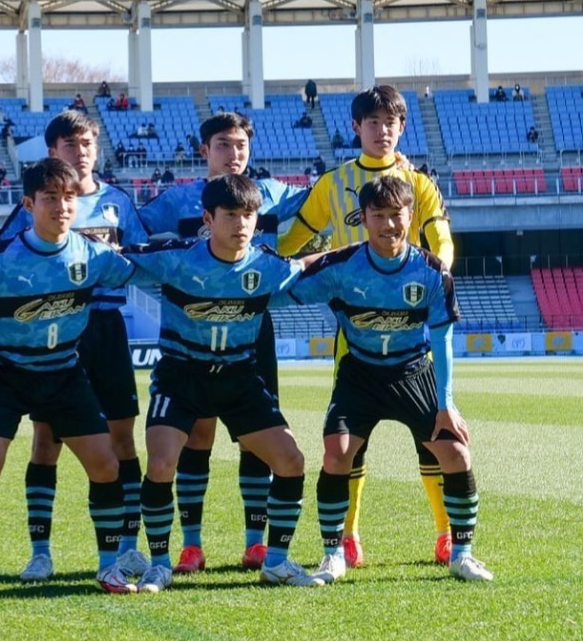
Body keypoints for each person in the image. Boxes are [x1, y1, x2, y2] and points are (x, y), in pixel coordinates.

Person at [0, 158, 140, 601]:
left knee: (106, 465)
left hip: (64, 373)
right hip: (6, 374)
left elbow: (140, 267)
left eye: (69, 198)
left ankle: (109, 566)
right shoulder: (3, 258)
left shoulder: (92, 254)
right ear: (29, 204)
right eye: (50, 198)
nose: (62, 207)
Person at [277, 85, 454, 568]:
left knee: (434, 434)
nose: (381, 131)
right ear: (356, 128)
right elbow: (294, 239)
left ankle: (445, 532)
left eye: (390, 122)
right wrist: (263, 259)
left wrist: (440, 272)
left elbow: (440, 236)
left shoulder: (418, 183)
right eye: (372, 122)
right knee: (347, 441)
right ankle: (348, 537)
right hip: (354, 333)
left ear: (401, 127)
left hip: (412, 328)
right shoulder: (333, 184)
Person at [289, 177, 492, 584]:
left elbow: (443, 339)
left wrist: (446, 402)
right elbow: (286, 290)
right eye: (377, 216)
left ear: (410, 216)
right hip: (359, 374)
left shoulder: (432, 271)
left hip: (414, 371)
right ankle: (332, 555)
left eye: (395, 215)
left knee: (456, 455)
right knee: (336, 454)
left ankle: (462, 553)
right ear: (363, 219)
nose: (388, 225)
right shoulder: (343, 267)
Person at [126, 174, 324, 591]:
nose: (241, 224)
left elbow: (309, 267)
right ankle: (160, 563)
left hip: (238, 378)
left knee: (291, 461)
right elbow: (115, 259)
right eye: (230, 215)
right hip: (181, 376)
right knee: (161, 464)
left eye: (249, 215)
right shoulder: (176, 258)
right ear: (207, 218)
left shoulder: (265, 265)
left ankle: (277, 560)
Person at [0, 112, 149, 582]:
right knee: (47, 441)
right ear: (52, 152)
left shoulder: (117, 203)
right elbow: (2, 252)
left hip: (106, 327)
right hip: (56, 331)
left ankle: (126, 547)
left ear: (96, 149)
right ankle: (40, 552)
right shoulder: (37, 205)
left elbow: (140, 259)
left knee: (122, 439)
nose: (79, 152)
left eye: (86, 143)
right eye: (68, 144)